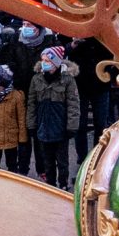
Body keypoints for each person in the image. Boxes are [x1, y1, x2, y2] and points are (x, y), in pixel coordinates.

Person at [30, 44, 80, 187]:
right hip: (43, 127)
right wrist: (31, 124)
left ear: (56, 63)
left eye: (47, 61)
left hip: (60, 128)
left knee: (62, 160)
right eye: (43, 60)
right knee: (47, 160)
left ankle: (63, 183)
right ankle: (50, 184)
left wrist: (72, 126)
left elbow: (73, 104)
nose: (43, 63)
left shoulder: (68, 80)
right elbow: (31, 104)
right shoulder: (36, 79)